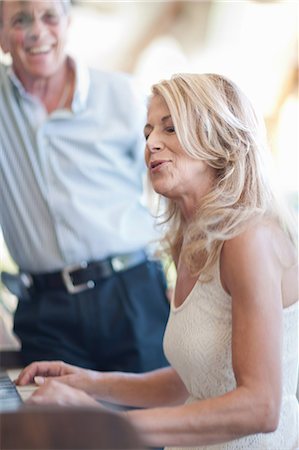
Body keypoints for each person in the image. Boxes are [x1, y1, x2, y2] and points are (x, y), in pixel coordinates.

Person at [16, 73, 298, 449]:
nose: (151, 143)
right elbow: (193, 381)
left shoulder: (249, 238)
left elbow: (260, 406)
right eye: (148, 131)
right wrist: (87, 382)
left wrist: (102, 423)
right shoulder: (192, 240)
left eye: (170, 128)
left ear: (218, 136)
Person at [0, 0, 170, 372]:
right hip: (45, 310)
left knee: (149, 422)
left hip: (131, 293)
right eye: (19, 20)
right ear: (1, 37)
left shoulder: (122, 95)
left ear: (67, 23)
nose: (37, 31)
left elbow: (176, 181)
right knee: (58, 428)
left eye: (49, 16)